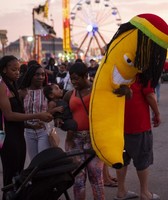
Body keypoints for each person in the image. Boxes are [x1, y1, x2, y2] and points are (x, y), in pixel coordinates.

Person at [0, 55, 52, 200]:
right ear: (4, 70)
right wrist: (36, 116)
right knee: (11, 174)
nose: (17, 72)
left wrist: (29, 125)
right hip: (7, 137)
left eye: (18, 69)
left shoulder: (13, 85)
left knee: (19, 172)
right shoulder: (2, 86)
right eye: (13, 69)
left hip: (17, 134)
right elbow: (9, 115)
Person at [113, 74, 161, 200]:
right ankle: (145, 193)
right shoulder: (141, 76)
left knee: (122, 160)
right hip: (139, 126)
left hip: (119, 126)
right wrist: (157, 114)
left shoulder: (116, 76)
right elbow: (150, 95)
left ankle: (121, 191)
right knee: (142, 160)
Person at [63, 62, 105, 200]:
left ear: (86, 76)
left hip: (94, 140)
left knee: (96, 177)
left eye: (76, 78)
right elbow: (64, 112)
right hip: (74, 140)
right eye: (71, 78)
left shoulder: (97, 90)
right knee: (78, 179)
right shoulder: (70, 94)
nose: (73, 82)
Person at [19, 63, 53, 161]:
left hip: (44, 131)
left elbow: (58, 104)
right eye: (37, 74)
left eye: (43, 74)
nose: (40, 77)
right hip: (28, 132)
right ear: (30, 75)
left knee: (42, 161)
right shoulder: (22, 92)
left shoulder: (47, 91)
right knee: (34, 162)